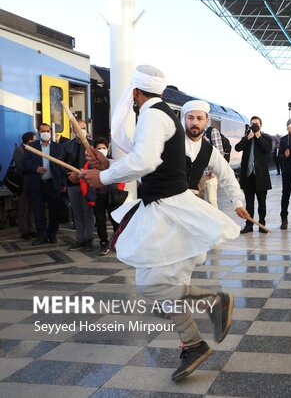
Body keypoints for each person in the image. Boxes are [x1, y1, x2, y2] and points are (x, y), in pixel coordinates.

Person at [81, 65, 247, 382]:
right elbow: (150, 163)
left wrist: (102, 176)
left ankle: (203, 324)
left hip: (171, 211)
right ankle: (198, 335)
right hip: (163, 209)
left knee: (154, 284)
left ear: (135, 93)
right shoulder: (159, 116)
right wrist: (110, 165)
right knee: (154, 283)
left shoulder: (153, 116)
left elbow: (145, 161)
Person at [183, 99, 246, 219]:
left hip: (191, 207)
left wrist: (237, 202)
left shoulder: (209, 150)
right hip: (167, 208)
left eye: (199, 118)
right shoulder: (171, 142)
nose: (194, 122)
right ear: (184, 119)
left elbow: (227, 175)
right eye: (190, 118)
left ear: (206, 121)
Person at [21, 123, 66, 246]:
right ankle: (41, 236)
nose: (45, 133)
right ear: (39, 133)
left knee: (54, 212)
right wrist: (36, 169)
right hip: (38, 184)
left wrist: (63, 183)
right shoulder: (32, 147)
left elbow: (61, 166)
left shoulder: (58, 147)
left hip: (53, 184)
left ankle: (52, 235)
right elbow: (24, 162)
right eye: (43, 131)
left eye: (47, 130)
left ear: (50, 132)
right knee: (38, 212)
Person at [235, 115, 273, 233]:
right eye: (252, 123)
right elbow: (237, 148)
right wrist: (248, 138)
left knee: (262, 203)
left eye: (256, 123)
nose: (254, 125)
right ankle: (249, 225)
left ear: (260, 125)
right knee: (249, 203)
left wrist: (258, 136)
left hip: (261, 177)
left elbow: (267, 149)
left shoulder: (266, 138)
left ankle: (262, 224)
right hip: (248, 176)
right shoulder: (247, 137)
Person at [63, 119, 95, 251]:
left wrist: (80, 175)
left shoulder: (91, 146)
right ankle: (79, 239)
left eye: (83, 128)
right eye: (78, 128)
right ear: (73, 130)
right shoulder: (66, 146)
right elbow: (60, 163)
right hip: (72, 185)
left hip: (87, 184)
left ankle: (89, 239)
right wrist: (69, 175)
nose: (81, 131)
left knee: (88, 213)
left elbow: (96, 164)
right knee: (77, 213)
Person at [92, 138, 124, 256]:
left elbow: (121, 176)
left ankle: (117, 242)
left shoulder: (113, 162)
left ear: (108, 148)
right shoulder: (91, 163)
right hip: (99, 196)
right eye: (99, 148)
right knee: (100, 222)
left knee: (116, 220)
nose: (101, 150)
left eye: (104, 148)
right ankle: (103, 243)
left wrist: (118, 190)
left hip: (113, 196)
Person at [197, 104, 226, 208]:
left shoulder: (212, 132)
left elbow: (219, 153)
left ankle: (214, 224)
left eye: (200, 118)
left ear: (206, 119)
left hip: (208, 173)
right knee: (197, 204)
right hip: (195, 175)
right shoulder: (192, 133)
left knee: (211, 203)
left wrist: (214, 172)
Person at [13, 132, 37, 239]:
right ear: (28, 141)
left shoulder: (34, 150)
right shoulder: (19, 150)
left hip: (33, 182)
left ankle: (32, 229)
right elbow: (21, 166)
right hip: (23, 183)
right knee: (23, 208)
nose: (35, 142)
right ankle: (24, 231)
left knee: (32, 208)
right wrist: (34, 167)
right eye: (34, 140)